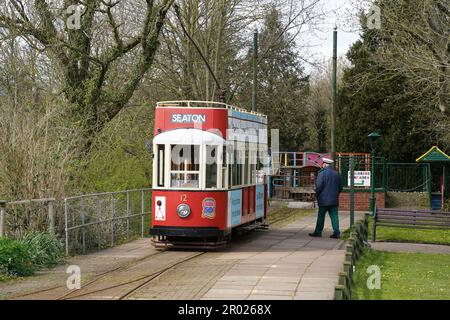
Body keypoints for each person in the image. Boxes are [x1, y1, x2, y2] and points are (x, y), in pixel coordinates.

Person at [309, 157, 343, 239]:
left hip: (323, 200)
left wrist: (317, 194)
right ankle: (337, 233)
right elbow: (340, 187)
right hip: (334, 200)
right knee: (334, 217)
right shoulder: (336, 173)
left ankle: (318, 232)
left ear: (324, 164)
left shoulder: (322, 173)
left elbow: (319, 187)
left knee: (321, 216)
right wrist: (335, 194)